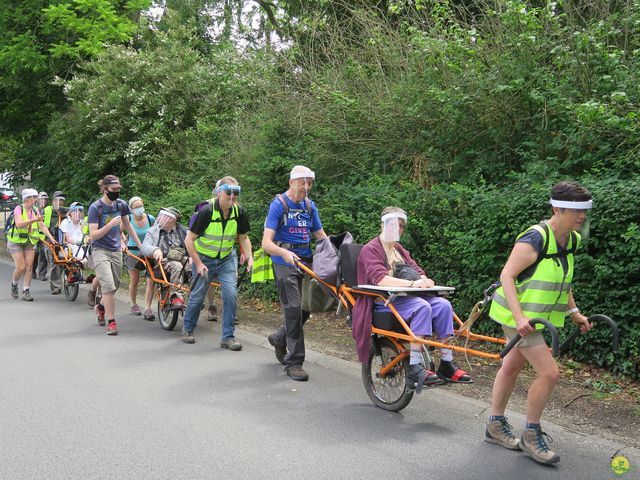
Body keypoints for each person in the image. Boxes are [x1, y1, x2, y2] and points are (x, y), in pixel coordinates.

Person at [485, 181, 593, 465]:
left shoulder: (572, 239)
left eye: (585, 211)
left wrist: (574, 312)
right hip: (517, 316)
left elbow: (563, 279)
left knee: (512, 365)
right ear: (556, 208)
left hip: (538, 317)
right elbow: (507, 275)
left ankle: (494, 424)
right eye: (575, 211)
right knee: (550, 373)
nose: (581, 217)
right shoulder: (534, 239)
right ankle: (532, 434)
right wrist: (520, 317)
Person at [351, 206, 472, 392]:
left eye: (401, 226)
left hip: (404, 299)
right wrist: (414, 285)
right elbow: (380, 279)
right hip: (382, 302)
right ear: (383, 225)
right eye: (393, 224)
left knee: (443, 305)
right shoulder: (371, 249)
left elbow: (415, 269)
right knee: (422, 306)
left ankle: (447, 362)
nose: (398, 229)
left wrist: (424, 279)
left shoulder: (399, 249)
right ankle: (415, 366)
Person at [262, 165, 327, 381]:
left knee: (306, 307)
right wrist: (285, 253)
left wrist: (337, 250)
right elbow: (266, 244)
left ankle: (280, 337)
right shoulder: (278, 205)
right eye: (303, 183)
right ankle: (294, 362)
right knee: (293, 309)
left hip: (306, 262)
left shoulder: (309, 206)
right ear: (292, 182)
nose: (306, 187)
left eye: (310, 183)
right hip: (284, 261)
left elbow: (320, 236)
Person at [182, 176, 253, 349]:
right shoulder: (206, 211)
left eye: (236, 192)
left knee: (230, 295)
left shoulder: (239, 212)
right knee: (198, 296)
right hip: (204, 258)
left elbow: (243, 238)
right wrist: (198, 263)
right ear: (219, 192)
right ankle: (188, 328)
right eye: (228, 192)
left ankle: (228, 337)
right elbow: (189, 240)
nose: (232, 196)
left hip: (226, 259)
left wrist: (249, 256)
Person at [87, 175, 142, 335]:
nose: (116, 192)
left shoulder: (121, 204)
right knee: (108, 285)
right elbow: (93, 235)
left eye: (118, 189)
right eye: (113, 190)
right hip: (100, 250)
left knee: (116, 284)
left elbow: (128, 225)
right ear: (105, 189)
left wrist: (140, 246)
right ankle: (111, 322)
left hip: (116, 249)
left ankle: (101, 307)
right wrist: (110, 225)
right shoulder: (95, 207)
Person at [7, 188, 57, 301]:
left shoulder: (35, 210)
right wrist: (34, 220)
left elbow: (42, 226)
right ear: (27, 198)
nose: (36, 200)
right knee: (21, 267)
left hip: (30, 240)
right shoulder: (18, 209)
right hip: (15, 241)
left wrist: (51, 238)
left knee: (29, 266)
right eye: (34, 197)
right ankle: (14, 285)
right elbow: (19, 224)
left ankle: (26, 290)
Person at [140, 207, 189, 310]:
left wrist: (193, 257)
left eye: (164, 216)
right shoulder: (153, 231)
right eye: (161, 216)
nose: (160, 218)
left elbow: (191, 244)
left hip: (181, 258)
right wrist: (154, 250)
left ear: (172, 219)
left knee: (195, 266)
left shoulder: (183, 231)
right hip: (161, 262)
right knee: (177, 265)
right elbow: (144, 247)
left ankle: (194, 297)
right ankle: (176, 297)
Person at [123, 196, 155, 319]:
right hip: (133, 252)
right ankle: (133, 304)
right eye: (136, 207)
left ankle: (147, 308)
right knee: (134, 280)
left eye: (140, 206)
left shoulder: (150, 218)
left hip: (148, 253)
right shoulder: (128, 219)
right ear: (131, 209)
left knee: (151, 281)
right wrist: (122, 242)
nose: (139, 209)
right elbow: (119, 232)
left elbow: (157, 232)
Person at [43, 191, 67, 295]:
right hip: (49, 239)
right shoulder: (47, 210)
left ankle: (56, 282)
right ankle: (56, 285)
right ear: (53, 201)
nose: (60, 202)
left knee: (62, 261)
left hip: (62, 240)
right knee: (53, 263)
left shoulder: (65, 212)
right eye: (58, 200)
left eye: (62, 200)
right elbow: (41, 225)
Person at [32, 191, 50, 281]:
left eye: (45, 199)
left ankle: (42, 274)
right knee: (34, 254)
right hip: (35, 236)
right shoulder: (34, 209)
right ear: (38, 200)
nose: (43, 201)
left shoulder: (48, 210)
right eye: (41, 199)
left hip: (43, 237)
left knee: (43, 255)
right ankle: (32, 271)